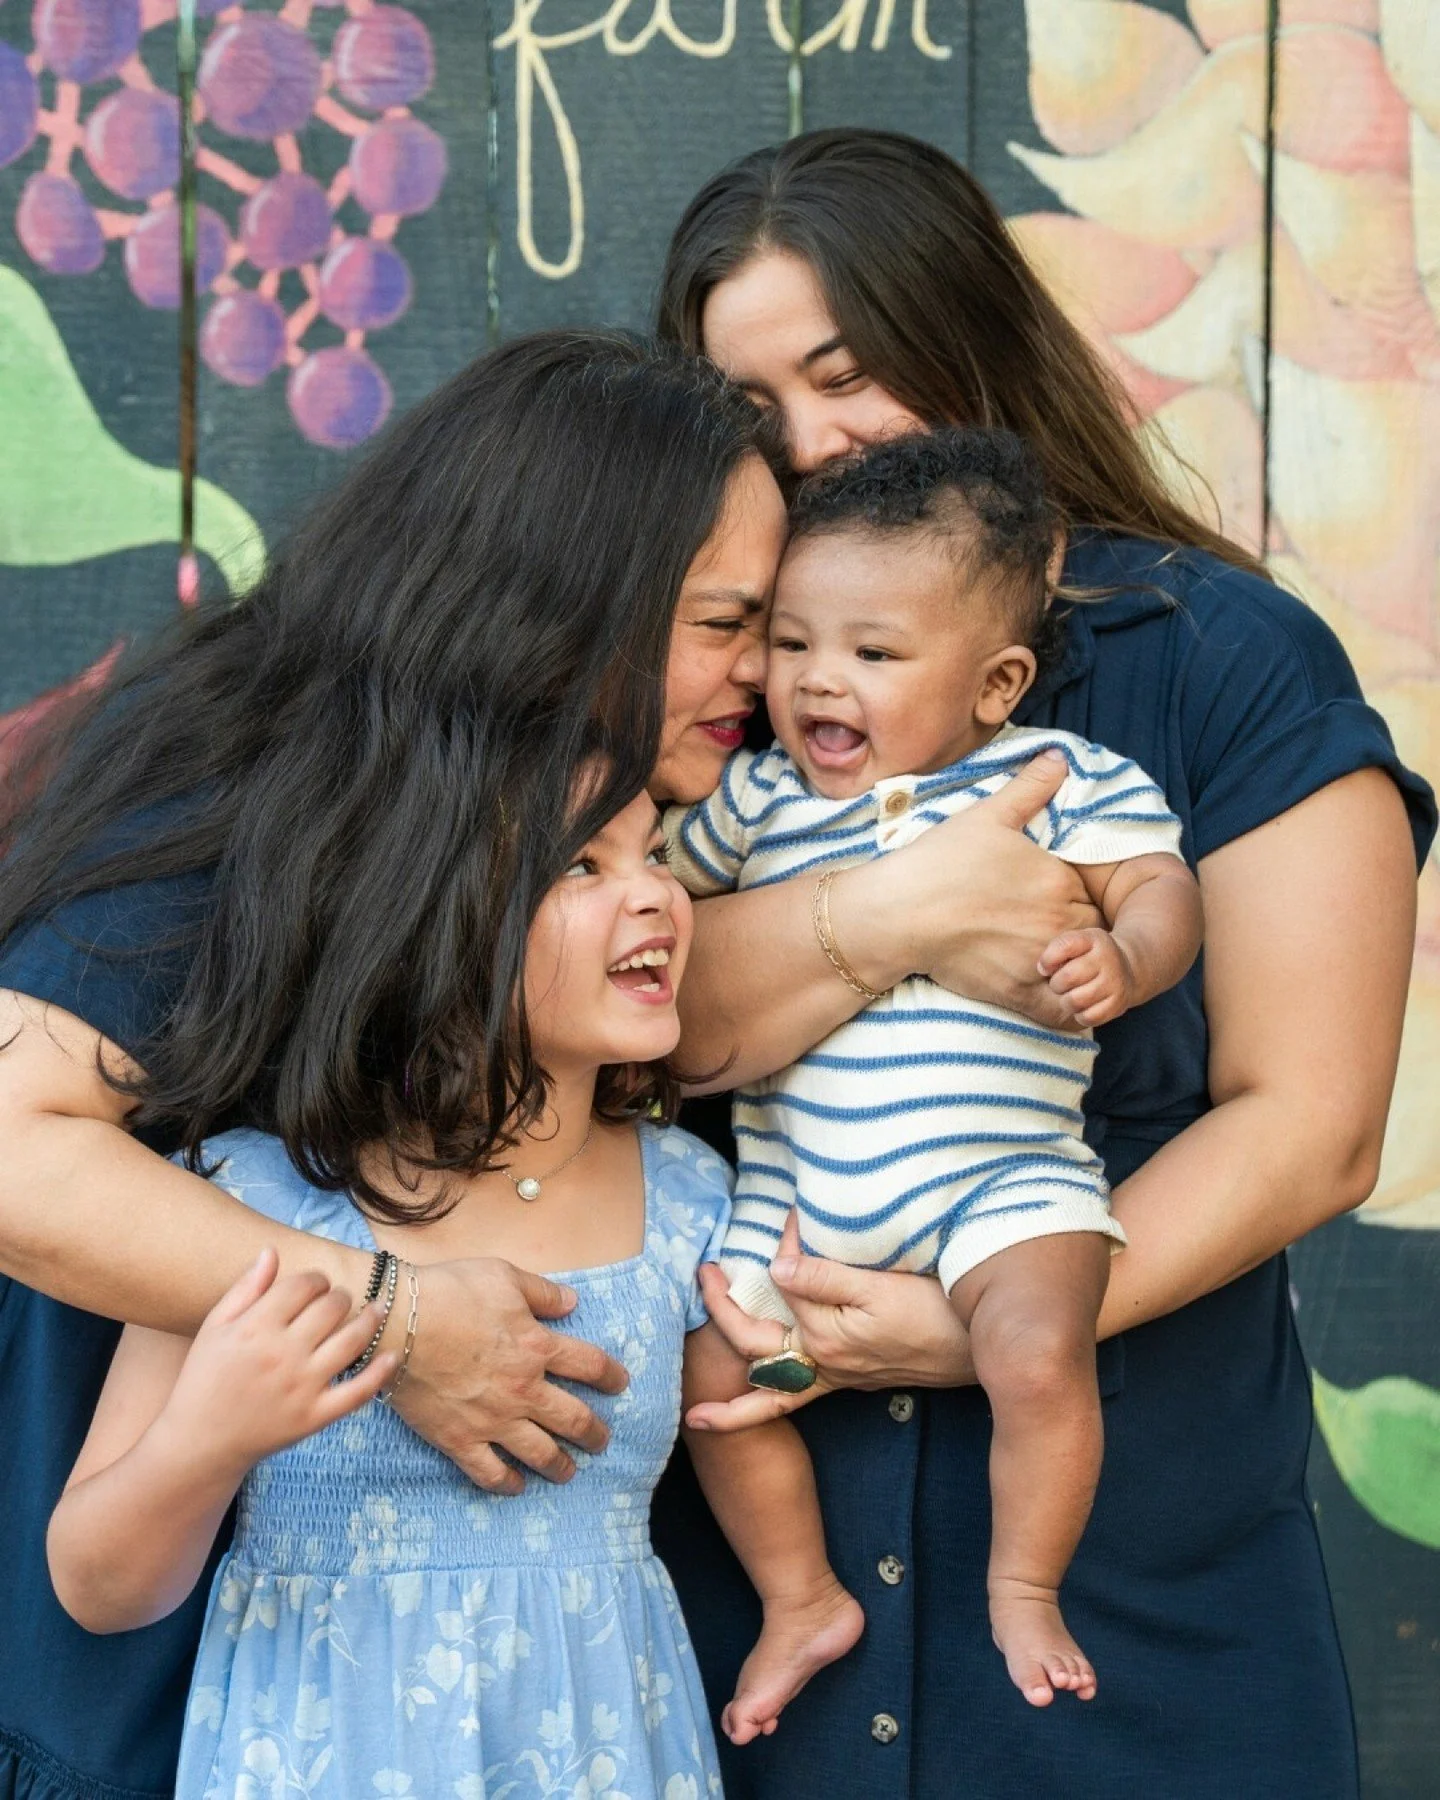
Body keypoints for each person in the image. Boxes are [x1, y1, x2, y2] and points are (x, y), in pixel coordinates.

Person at [652, 128, 1437, 1798]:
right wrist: (888, 917)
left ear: (966, 331)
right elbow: (648, 1028)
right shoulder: (728, 683)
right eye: (756, 410)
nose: (810, 444)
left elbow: (1313, 1122)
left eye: (847, 374)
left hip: (1129, 1588)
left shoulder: (1220, 663)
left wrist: (982, 1328)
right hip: (758, 1592)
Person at [0, 331, 788, 1799]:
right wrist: (401, 1319)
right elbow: (12, 1150)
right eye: (723, 620)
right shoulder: (242, 780)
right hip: (171, 1663)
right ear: (571, 599)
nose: (759, 674)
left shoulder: (574, 834)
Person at [46, 782, 738, 1798]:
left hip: (601, 1754)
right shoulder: (253, 1201)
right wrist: (211, 1436)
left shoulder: (691, 1198)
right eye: (581, 865)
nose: (655, 898)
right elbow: (97, 1589)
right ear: (427, 913)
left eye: (660, 854)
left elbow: (760, 1409)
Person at [670, 427, 1202, 1733]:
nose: (817, 682)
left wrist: (1126, 955)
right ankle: (802, 1599)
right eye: (791, 645)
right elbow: (662, 886)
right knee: (715, 1392)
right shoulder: (759, 799)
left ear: (994, 680)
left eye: (873, 653)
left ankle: (1023, 1584)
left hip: (1003, 1195)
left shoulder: (1051, 779)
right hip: (803, 1219)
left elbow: (1159, 885)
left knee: (1034, 1355)